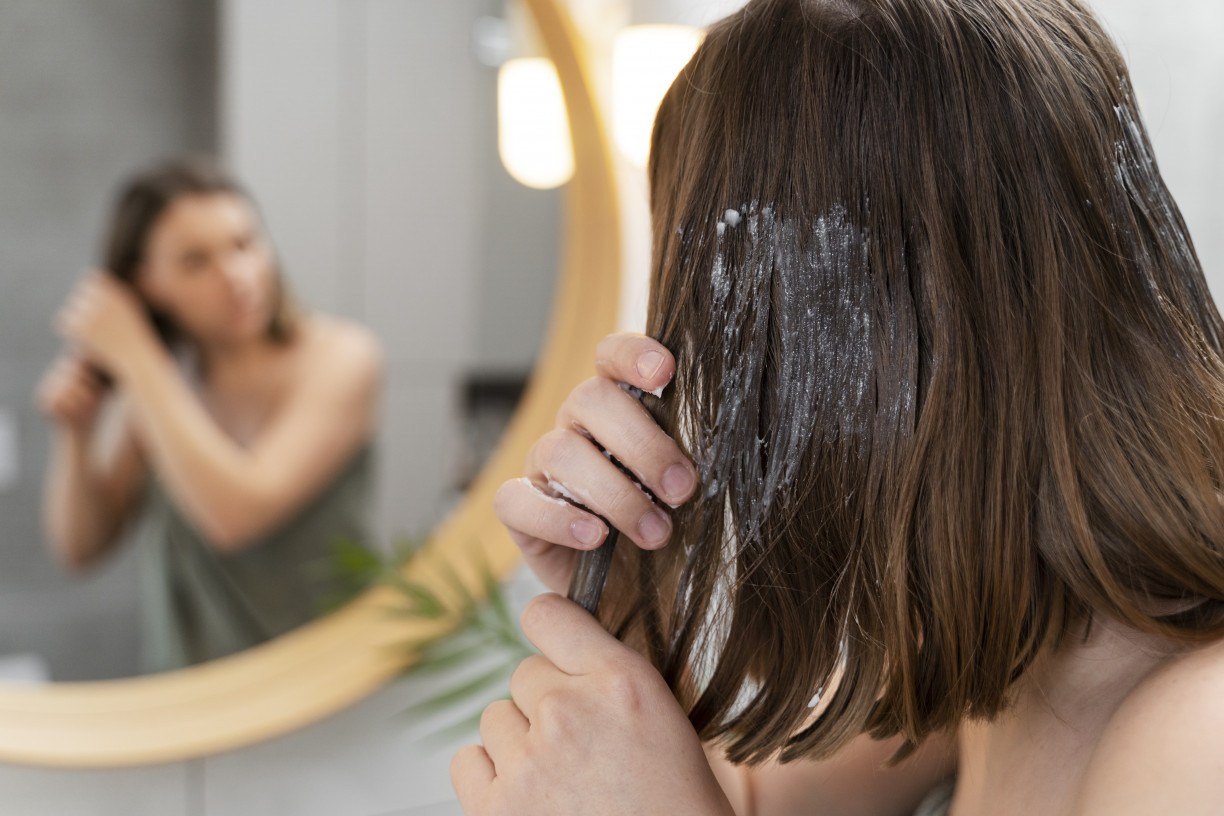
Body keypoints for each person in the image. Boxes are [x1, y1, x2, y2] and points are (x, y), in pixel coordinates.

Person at [454, 0, 1224, 814]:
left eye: (732, 332)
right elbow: (735, 800)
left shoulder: (1197, 740)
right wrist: (636, 618)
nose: (709, 390)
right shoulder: (1005, 661)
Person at [37, 157, 384, 674]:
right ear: (148, 283)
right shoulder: (158, 388)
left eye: (245, 244)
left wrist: (133, 353)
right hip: (200, 693)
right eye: (196, 262)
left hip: (331, 679)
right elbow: (81, 548)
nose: (238, 276)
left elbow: (237, 515)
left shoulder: (342, 355)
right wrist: (77, 434)